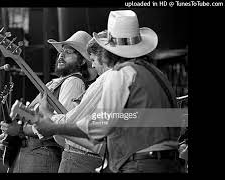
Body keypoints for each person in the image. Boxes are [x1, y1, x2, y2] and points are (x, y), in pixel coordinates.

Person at [33, 10, 183, 173]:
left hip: (139, 165)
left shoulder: (120, 74)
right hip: (170, 165)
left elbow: (98, 127)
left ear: (107, 52)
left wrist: (53, 127)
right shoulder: (158, 75)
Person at [0, 31, 102, 173]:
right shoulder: (54, 83)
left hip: (42, 155)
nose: (61, 55)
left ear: (82, 60)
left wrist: (19, 130)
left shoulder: (73, 82)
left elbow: (61, 127)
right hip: (32, 154)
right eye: (61, 51)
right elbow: (35, 117)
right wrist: (10, 133)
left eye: (68, 52)